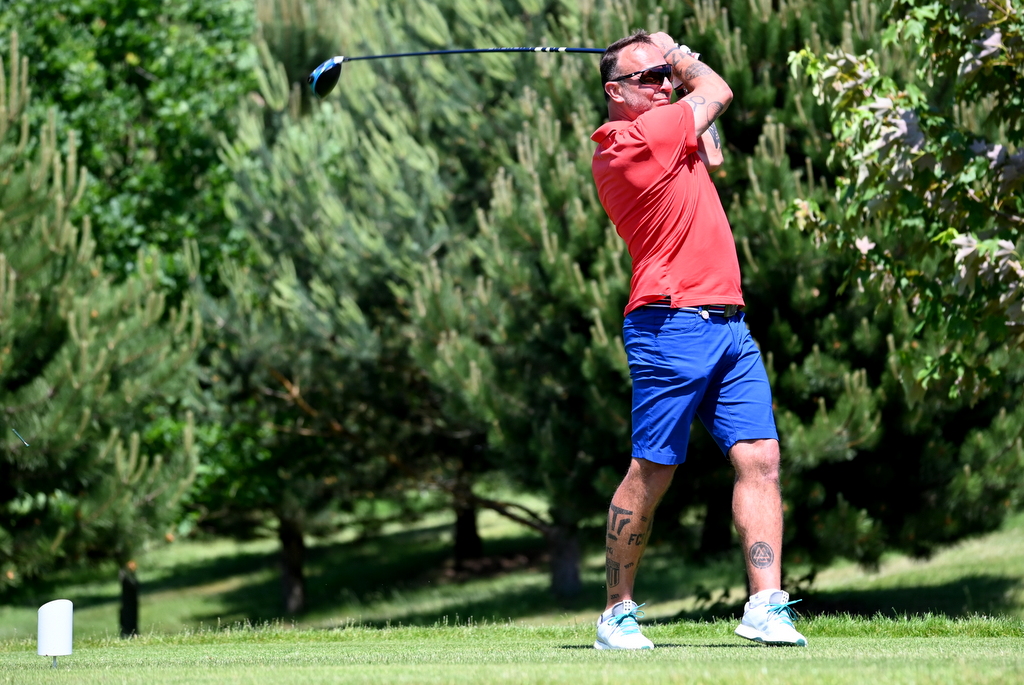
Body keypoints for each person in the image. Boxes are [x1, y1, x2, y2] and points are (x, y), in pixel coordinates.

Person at [589, 29, 807, 650]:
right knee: (653, 468)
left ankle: (765, 605)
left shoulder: (665, 129)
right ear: (615, 92)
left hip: (728, 321)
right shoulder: (633, 140)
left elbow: (713, 152)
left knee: (760, 457)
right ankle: (615, 614)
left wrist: (669, 69)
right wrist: (680, 56)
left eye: (664, 76)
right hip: (670, 323)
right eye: (647, 77)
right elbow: (718, 91)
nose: (662, 84)